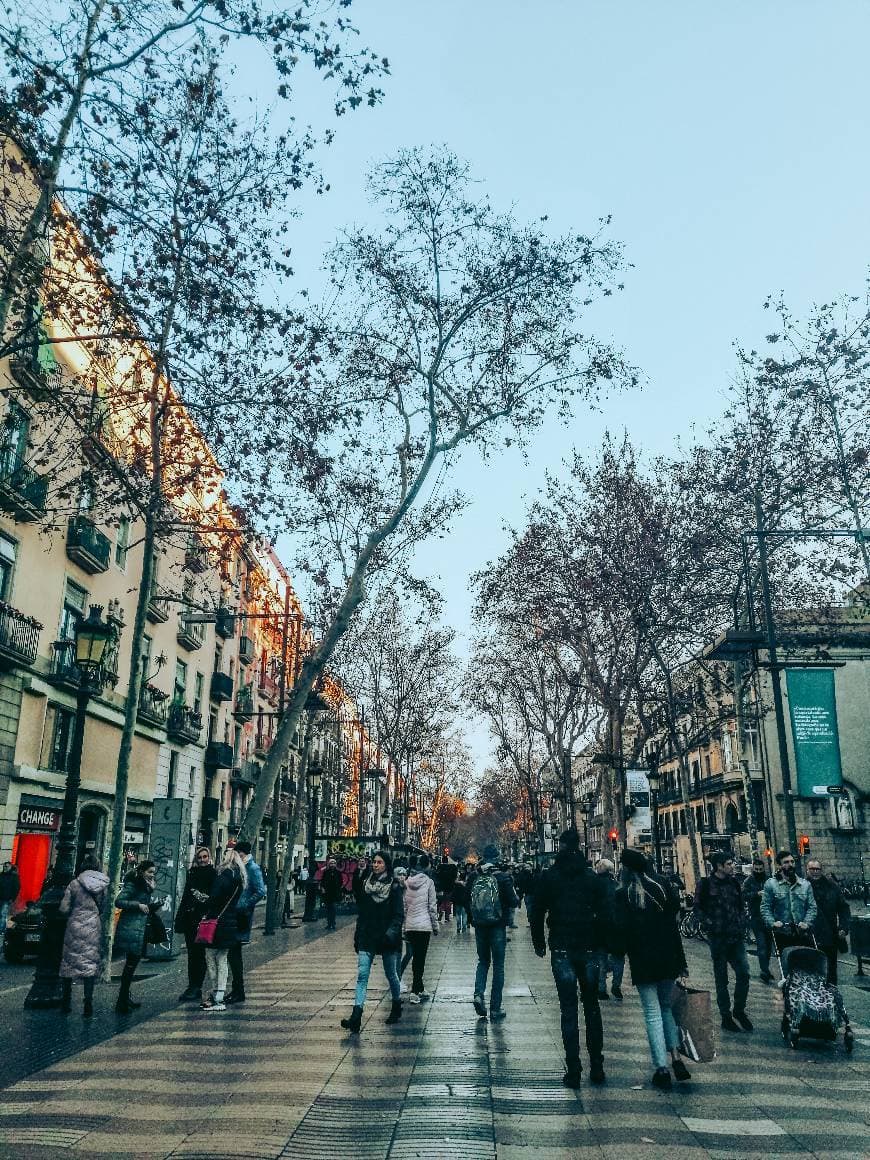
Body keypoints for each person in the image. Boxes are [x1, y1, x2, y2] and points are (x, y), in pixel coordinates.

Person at [530, 828, 609, 1087]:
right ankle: (597, 1067)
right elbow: (605, 912)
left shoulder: (550, 877)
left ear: (561, 847)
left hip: (561, 946)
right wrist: (600, 943)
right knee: (592, 1008)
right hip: (588, 947)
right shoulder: (591, 878)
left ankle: (573, 1070)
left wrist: (539, 942)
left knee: (568, 1009)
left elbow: (537, 910)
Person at [612, 848, 690, 1091]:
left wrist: (616, 953)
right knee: (666, 1007)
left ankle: (661, 1067)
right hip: (669, 956)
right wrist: (682, 962)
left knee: (652, 1012)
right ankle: (676, 1057)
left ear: (626, 868)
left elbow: (620, 931)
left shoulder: (624, 894)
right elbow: (673, 924)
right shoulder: (664, 886)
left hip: (643, 959)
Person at [341, 850, 404, 1033]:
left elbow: (398, 915)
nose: (375, 865)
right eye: (374, 862)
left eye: (379, 862)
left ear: (386, 865)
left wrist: (391, 934)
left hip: (386, 938)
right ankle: (356, 1015)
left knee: (391, 974)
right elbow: (362, 911)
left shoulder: (394, 887)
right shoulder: (365, 884)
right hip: (367, 935)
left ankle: (396, 1005)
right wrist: (357, 935)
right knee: (362, 975)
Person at [694, 852, 752, 1033]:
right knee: (722, 979)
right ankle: (726, 1016)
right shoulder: (705, 885)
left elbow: (741, 906)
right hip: (718, 938)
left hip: (736, 937)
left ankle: (739, 1010)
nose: (732, 866)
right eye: (729, 864)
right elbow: (698, 908)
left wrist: (742, 922)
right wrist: (710, 924)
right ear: (719, 866)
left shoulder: (734, 883)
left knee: (744, 973)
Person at [469, 856, 519, 1021]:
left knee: (483, 961)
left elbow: (466, 899)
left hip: (480, 926)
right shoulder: (503, 878)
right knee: (498, 966)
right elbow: (513, 901)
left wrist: (474, 919)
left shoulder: (476, 877)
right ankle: (495, 1008)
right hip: (498, 926)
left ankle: (478, 994)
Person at [59, 854, 109, 1017]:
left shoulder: (74, 883)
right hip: (93, 925)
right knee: (89, 964)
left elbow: (64, 908)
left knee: (68, 963)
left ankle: (66, 1002)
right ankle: (88, 1003)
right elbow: (102, 907)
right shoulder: (102, 885)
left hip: (74, 925)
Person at [200, 847, 246, 1012]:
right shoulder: (239, 878)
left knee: (211, 956)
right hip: (230, 922)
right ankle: (219, 993)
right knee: (222, 957)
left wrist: (203, 902)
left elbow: (213, 899)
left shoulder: (223, 877)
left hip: (218, 922)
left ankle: (216, 994)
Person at [114, 860, 159, 1014]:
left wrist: (151, 906)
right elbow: (119, 901)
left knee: (132, 964)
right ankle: (122, 1001)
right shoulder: (134, 883)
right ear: (141, 871)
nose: (152, 875)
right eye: (150, 872)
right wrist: (138, 905)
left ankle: (125, 998)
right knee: (130, 965)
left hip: (139, 927)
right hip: (131, 927)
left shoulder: (145, 885)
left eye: (154, 872)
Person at [174, 846, 217, 1001]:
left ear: (209, 857)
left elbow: (214, 898)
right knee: (193, 955)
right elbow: (185, 896)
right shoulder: (191, 874)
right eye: (200, 857)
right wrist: (180, 919)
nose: (203, 860)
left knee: (200, 955)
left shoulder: (213, 874)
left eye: (205, 857)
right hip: (190, 920)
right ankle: (193, 986)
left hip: (204, 920)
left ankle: (196, 986)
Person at [226, 839, 266, 1004]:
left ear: (244, 854)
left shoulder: (253, 868)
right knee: (232, 953)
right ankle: (236, 989)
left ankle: (238, 990)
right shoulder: (239, 867)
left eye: (239, 853)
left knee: (235, 954)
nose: (237, 856)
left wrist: (244, 905)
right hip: (235, 914)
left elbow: (260, 891)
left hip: (241, 915)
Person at [760, 849, 818, 950]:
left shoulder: (805, 885)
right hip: (782, 933)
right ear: (779, 866)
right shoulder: (771, 884)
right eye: (786, 862)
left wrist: (807, 922)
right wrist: (772, 923)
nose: (790, 864)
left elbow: (812, 907)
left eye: (792, 861)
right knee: (786, 962)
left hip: (802, 932)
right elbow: (765, 907)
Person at [806, 858, 851, 984]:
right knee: (812, 971)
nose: (815, 872)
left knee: (831, 970)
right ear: (807, 870)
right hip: (809, 936)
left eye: (817, 869)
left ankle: (832, 997)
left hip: (829, 936)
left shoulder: (832, 887)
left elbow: (843, 908)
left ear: (821, 870)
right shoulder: (802, 887)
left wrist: (843, 927)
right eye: (812, 869)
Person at [403, 853, 438, 1002]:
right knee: (420, 958)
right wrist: (435, 926)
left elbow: (404, 907)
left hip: (410, 925)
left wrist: (404, 926)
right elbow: (432, 907)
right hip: (424, 926)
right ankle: (415, 991)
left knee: (414, 956)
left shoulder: (406, 882)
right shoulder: (429, 882)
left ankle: (420, 988)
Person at [594, 859, 625, 1000]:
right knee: (618, 958)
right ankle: (616, 985)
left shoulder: (594, 886)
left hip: (600, 927)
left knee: (601, 957)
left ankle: (601, 988)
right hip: (617, 928)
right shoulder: (618, 886)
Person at [742, 856, 773, 983]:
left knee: (769, 946)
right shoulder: (748, 881)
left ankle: (766, 968)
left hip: (769, 917)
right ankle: (764, 970)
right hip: (756, 917)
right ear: (753, 869)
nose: (759, 871)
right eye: (757, 869)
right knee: (762, 945)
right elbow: (743, 896)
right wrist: (756, 894)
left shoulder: (769, 880)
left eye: (761, 869)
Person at [320, 855, 343, 931]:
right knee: (328, 908)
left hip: (334, 893)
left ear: (335, 864)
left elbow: (341, 882)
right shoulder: (326, 872)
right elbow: (322, 881)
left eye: (333, 863)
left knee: (332, 908)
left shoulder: (338, 873)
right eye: (331, 863)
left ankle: (333, 923)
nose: (332, 864)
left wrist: (338, 889)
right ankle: (329, 923)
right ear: (329, 864)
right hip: (327, 893)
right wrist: (323, 888)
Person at [0, 860, 20, 931]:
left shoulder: (14, 876)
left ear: (10, 867)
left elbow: (16, 889)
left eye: (6, 866)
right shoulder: (1, 875)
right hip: (0, 898)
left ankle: (1, 930)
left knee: (3, 914)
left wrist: (12, 899)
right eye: (4, 866)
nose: (5, 868)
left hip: (7, 899)